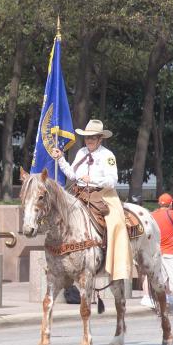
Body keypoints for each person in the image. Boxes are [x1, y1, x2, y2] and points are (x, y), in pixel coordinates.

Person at [52, 119, 133, 281]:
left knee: (116, 222)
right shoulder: (81, 152)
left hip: (102, 194)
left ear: (100, 139)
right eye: (87, 138)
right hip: (80, 193)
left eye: (93, 138)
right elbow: (73, 175)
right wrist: (61, 159)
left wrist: (93, 179)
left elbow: (112, 180)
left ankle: (114, 260)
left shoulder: (107, 155)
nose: (89, 141)